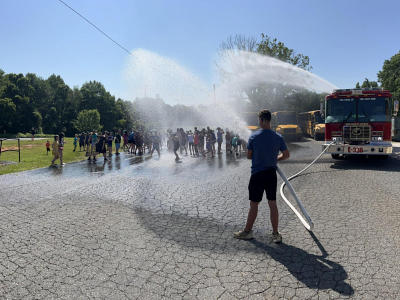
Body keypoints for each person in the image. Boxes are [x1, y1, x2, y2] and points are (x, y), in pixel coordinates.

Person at [234, 109, 290, 243]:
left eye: (259, 120)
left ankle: (247, 232)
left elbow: (249, 156)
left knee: (254, 204)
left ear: (262, 120)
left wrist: (260, 156)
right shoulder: (278, 137)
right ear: (270, 120)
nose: (259, 122)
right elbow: (286, 155)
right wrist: (275, 158)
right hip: (271, 173)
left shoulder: (254, 136)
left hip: (257, 174)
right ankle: (276, 234)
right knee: (272, 203)